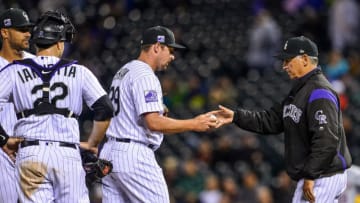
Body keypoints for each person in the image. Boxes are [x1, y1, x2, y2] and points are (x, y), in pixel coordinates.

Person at [212, 36, 352, 203]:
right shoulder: (299, 91)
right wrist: (236, 116)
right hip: (316, 174)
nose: (284, 66)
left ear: (305, 59)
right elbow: (271, 121)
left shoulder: (319, 92)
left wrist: (310, 175)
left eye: (288, 60)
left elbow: (326, 140)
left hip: (324, 175)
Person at [0, 11, 113, 202]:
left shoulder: (14, 70)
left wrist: (3, 139)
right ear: (60, 43)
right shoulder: (79, 71)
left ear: (36, 43)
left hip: (30, 153)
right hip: (67, 154)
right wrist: (92, 143)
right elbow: (105, 108)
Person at [99, 25, 217, 203]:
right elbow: (153, 123)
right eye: (169, 50)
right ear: (156, 47)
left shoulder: (124, 71)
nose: (172, 56)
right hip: (133, 155)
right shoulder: (145, 75)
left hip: (109, 153)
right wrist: (194, 123)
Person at [0, 7, 34, 203]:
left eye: (28, 29)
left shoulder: (37, 63)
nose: (28, 33)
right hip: (2, 151)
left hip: (33, 148)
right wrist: (3, 140)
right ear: (4, 32)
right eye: (21, 29)